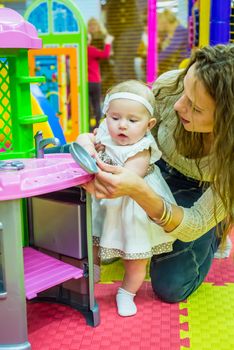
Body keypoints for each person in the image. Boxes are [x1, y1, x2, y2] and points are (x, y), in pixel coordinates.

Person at [79, 44, 234, 303]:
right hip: (154, 169)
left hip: (198, 191)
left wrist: (138, 191)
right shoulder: (170, 87)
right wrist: (93, 141)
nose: (178, 106)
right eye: (184, 90)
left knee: (172, 287)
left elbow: (192, 224)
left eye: (195, 109)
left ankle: (219, 223)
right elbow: (130, 124)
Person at [77, 80, 177, 316]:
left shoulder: (142, 147)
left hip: (132, 205)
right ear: (106, 116)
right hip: (104, 202)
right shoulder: (104, 131)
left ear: (148, 124)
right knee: (93, 238)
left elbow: (129, 178)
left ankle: (127, 292)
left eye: (132, 120)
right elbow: (85, 137)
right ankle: (93, 270)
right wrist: (86, 142)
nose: (122, 125)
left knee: (135, 255)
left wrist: (94, 169)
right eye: (114, 117)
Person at [87, 26, 114, 130]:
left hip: (85, 82)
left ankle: (89, 125)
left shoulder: (80, 51)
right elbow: (105, 54)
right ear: (89, 40)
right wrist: (108, 43)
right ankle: (97, 125)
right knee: (96, 104)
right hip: (95, 81)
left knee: (88, 105)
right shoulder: (90, 49)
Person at [157, 9, 189, 76]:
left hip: (181, 68)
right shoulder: (167, 35)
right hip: (172, 68)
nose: (157, 26)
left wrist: (154, 60)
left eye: (158, 23)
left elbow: (171, 49)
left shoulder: (180, 30)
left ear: (165, 22)